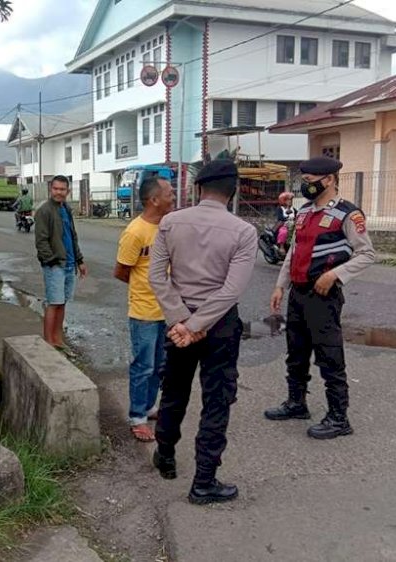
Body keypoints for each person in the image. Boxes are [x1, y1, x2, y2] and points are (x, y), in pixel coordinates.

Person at [148, 160, 257, 505]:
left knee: (174, 391)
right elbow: (230, 291)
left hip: (179, 321)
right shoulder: (243, 232)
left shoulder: (170, 222)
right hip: (220, 325)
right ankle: (204, 482)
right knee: (217, 401)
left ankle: (165, 456)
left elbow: (157, 277)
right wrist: (197, 326)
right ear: (233, 190)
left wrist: (182, 322)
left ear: (198, 188)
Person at [265, 156, 375, 439]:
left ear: (328, 180)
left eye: (310, 182)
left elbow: (367, 254)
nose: (305, 187)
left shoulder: (348, 215)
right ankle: (296, 403)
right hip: (298, 294)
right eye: (303, 182)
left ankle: (339, 417)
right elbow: (294, 252)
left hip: (324, 295)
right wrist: (280, 285)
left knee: (329, 355)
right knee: (296, 352)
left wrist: (335, 275)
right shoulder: (303, 213)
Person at [113, 178, 176, 442]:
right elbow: (120, 271)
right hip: (144, 312)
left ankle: (150, 406)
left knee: (160, 365)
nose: (174, 197)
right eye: (170, 193)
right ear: (154, 200)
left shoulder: (167, 227)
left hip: (167, 310)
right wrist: (146, 288)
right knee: (143, 365)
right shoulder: (135, 232)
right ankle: (137, 416)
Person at [34, 175, 87, 349]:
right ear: (51, 189)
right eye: (56, 189)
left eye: (62, 189)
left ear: (68, 191)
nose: (59, 192)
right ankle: (49, 341)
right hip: (55, 265)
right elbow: (41, 241)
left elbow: (72, 236)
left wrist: (80, 260)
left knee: (62, 303)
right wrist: (51, 261)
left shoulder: (66, 209)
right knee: (53, 303)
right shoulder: (44, 211)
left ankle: (58, 339)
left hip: (70, 264)